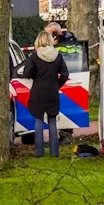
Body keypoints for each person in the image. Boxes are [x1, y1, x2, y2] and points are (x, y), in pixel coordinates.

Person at [22, 29, 70, 157]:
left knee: (38, 120)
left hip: (38, 91)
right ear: (49, 40)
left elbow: (26, 73)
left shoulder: (34, 56)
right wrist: (57, 84)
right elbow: (65, 75)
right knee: (52, 121)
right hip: (52, 91)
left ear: (38, 41)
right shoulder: (57, 55)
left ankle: (39, 152)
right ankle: (54, 152)